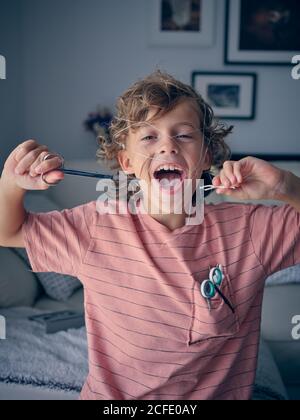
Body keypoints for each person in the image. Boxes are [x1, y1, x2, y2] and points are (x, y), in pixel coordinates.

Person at [0, 70, 300, 400]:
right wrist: (11, 184)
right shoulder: (96, 227)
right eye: (148, 137)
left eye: (184, 136)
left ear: (207, 157)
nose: (167, 146)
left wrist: (286, 186)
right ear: (125, 161)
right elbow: (9, 231)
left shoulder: (249, 230)